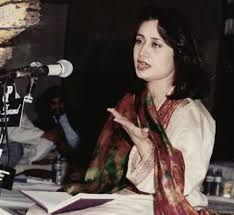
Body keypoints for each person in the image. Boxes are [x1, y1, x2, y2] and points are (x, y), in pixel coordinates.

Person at [27, 6, 216, 215]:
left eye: (156, 44)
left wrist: (145, 148)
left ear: (179, 54)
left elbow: (179, 188)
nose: (142, 51)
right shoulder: (131, 103)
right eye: (139, 41)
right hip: (126, 199)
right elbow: (104, 173)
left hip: (166, 207)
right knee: (38, 211)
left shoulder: (191, 114)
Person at [34, 86, 80, 159]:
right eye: (53, 103)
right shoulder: (43, 121)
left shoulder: (76, 115)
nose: (58, 106)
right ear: (48, 105)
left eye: (60, 102)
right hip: (62, 156)